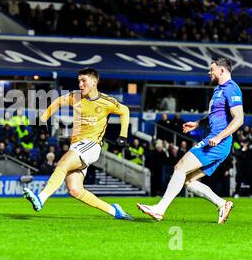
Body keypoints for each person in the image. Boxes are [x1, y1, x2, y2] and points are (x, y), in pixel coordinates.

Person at [138, 58, 243, 224]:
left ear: (222, 71)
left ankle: (160, 209)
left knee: (180, 167)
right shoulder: (219, 90)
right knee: (188, 181)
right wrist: (197, 123)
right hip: (215, 141)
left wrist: (218, 137)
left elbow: (239, 119)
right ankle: (222, 204)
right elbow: (214, 115)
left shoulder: (232, 88)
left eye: (212, 69)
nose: (209, 73)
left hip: (217, 142)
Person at [23, 67, 132, 220]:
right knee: (74, 189)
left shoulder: (106, 101)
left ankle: (41, 198)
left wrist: (123, 136)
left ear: (94, 82)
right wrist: (43, 118)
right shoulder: (75, 97)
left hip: (91, 145)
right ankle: (114, 211)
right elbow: (58, 101)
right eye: (79, 81)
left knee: (62, 164)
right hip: (77, 146)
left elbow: (125, 110)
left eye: (83, 81)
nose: (80, 84)